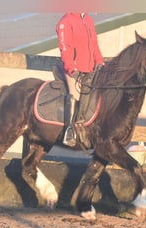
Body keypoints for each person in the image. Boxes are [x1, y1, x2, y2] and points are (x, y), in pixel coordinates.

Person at [56, 12, 104, 146]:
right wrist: (71, 66)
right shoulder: (66, 21)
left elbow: (94, 45)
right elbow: (65, 46)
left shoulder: (88, 20)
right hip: (73, 68)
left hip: (89, 68)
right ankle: (70, 131)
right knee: (75, 95)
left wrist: (100, 62)